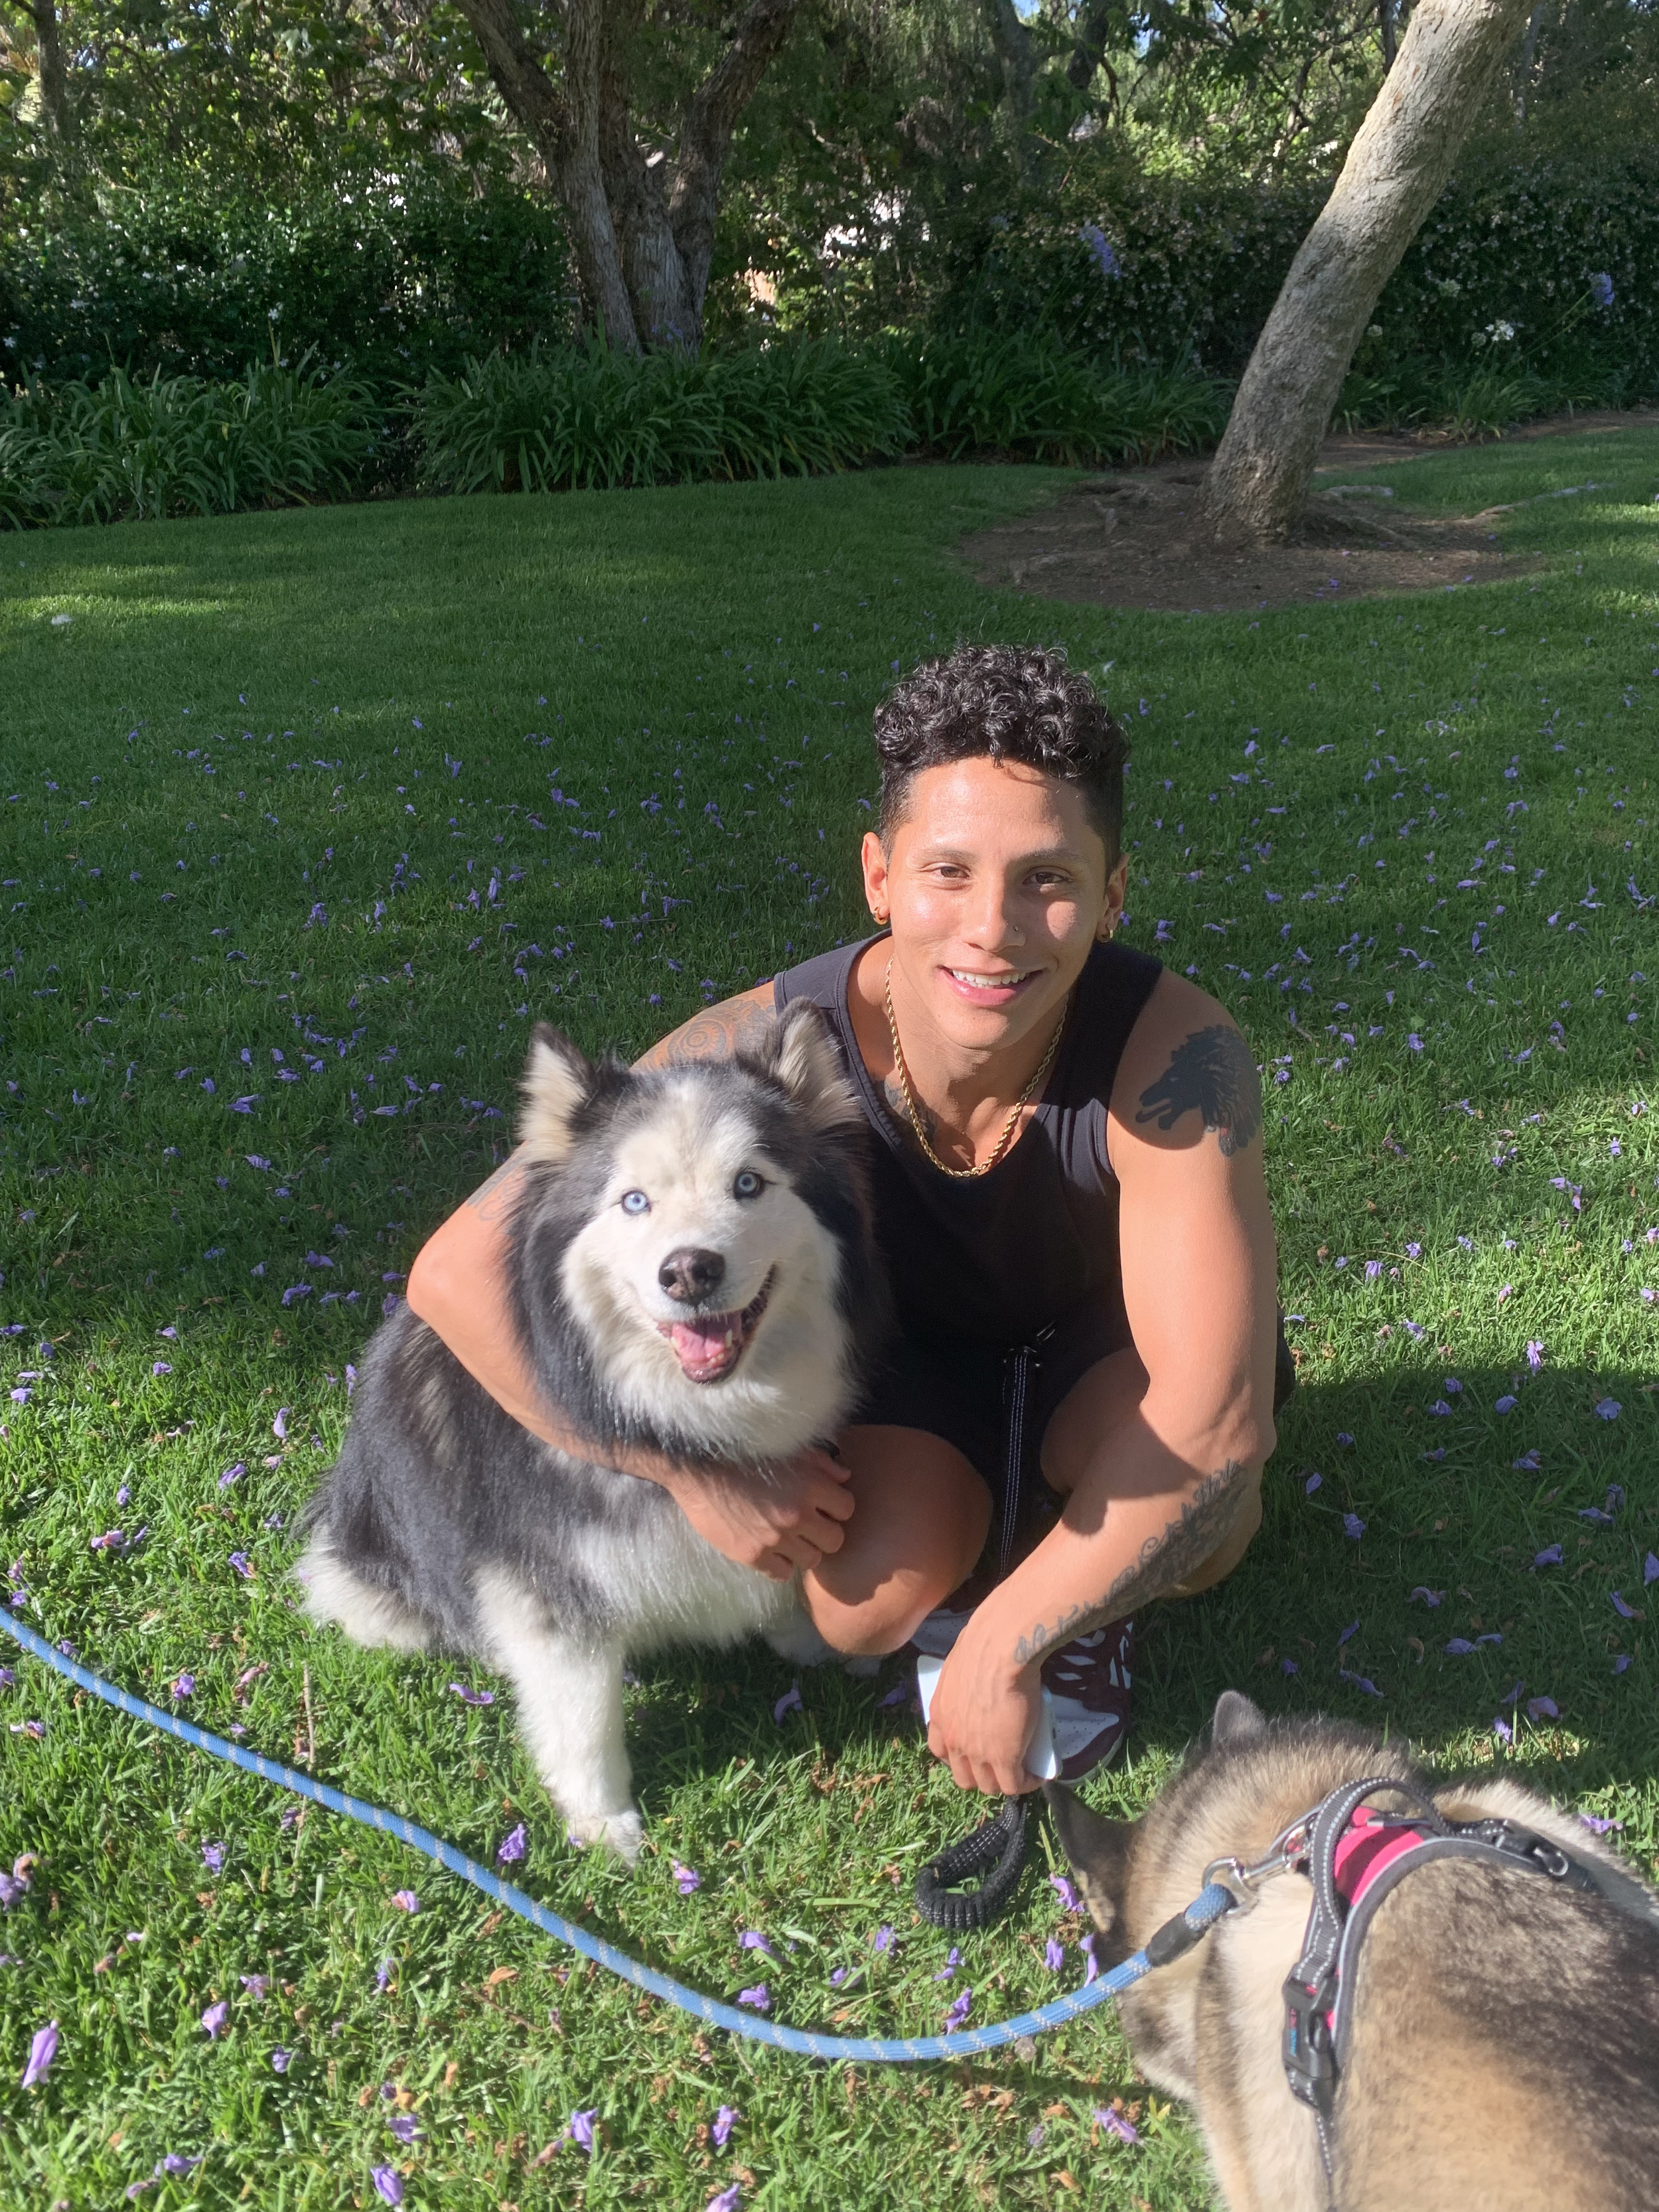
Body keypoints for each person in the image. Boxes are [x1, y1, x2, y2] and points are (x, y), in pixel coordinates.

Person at [407, 644, 1285, 1801]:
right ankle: (1045, 1549)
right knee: (860, 1606)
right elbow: (452, 1276)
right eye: (948, 872)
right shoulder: (763, 1048)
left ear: (1114, 893)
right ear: (878, 877)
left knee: (1209, 1534)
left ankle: (1069, 1580)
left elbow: (1217, 1420)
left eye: (1049, 879)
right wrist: (688, 1478)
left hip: (1108, 1356)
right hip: (909, 1365)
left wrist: (1005, 1641)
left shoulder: (1178, 1054)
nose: (993, 929)